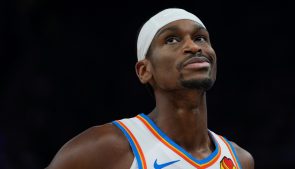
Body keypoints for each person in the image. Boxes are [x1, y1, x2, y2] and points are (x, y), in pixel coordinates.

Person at [46, 8, 254, 169]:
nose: (194, 46)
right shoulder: (110, 145)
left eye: (200, 38)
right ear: (144, 70)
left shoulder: (239, 160)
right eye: (172, 39)